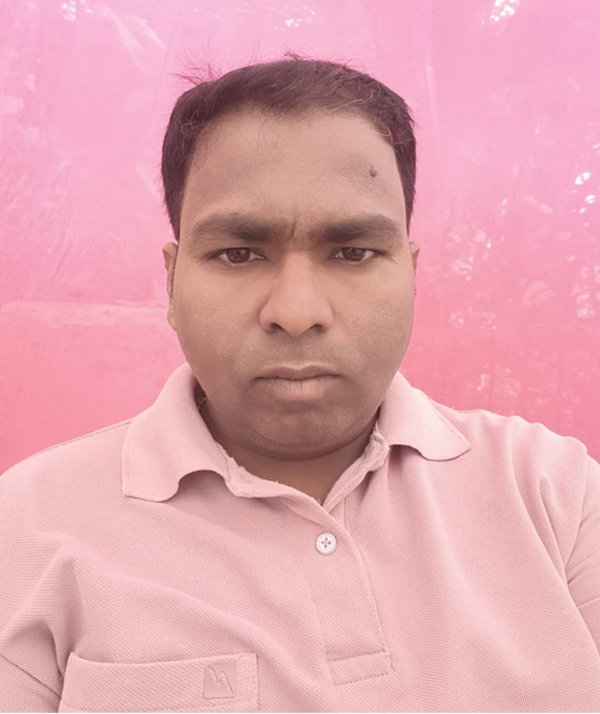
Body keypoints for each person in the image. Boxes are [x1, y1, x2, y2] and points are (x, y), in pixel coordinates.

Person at [1, 56, 599, 713]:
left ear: (411, 273)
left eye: (353, 252)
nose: (296, 310)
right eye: (238, 253)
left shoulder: (556, 494)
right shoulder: (27, 529)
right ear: (171, 281)